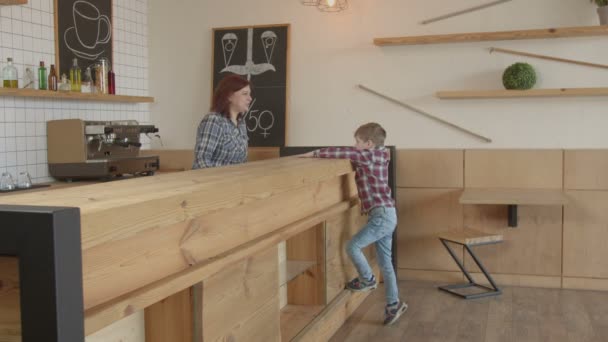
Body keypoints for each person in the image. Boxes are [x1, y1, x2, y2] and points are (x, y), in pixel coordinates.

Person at [302, 122, 407, 325]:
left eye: (357, 141)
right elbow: (351, 153)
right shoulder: (377, 154)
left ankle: (367, 279)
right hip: (387, 214)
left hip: (382, 216)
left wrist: (313, 154)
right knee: (386, 263)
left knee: (352, 246)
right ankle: (393, 306)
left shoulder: (366, 156)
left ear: (368, 143)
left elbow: (340, 151)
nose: (354, 145)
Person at [193, 74, 251, 169]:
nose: (250, 98)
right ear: (229, 96)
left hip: (236, 181)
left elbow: (242, 162)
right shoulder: (214, 120)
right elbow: (202, 160)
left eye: (249, 94)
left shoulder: (241, 124)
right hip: (213, 181)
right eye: (245, 94)